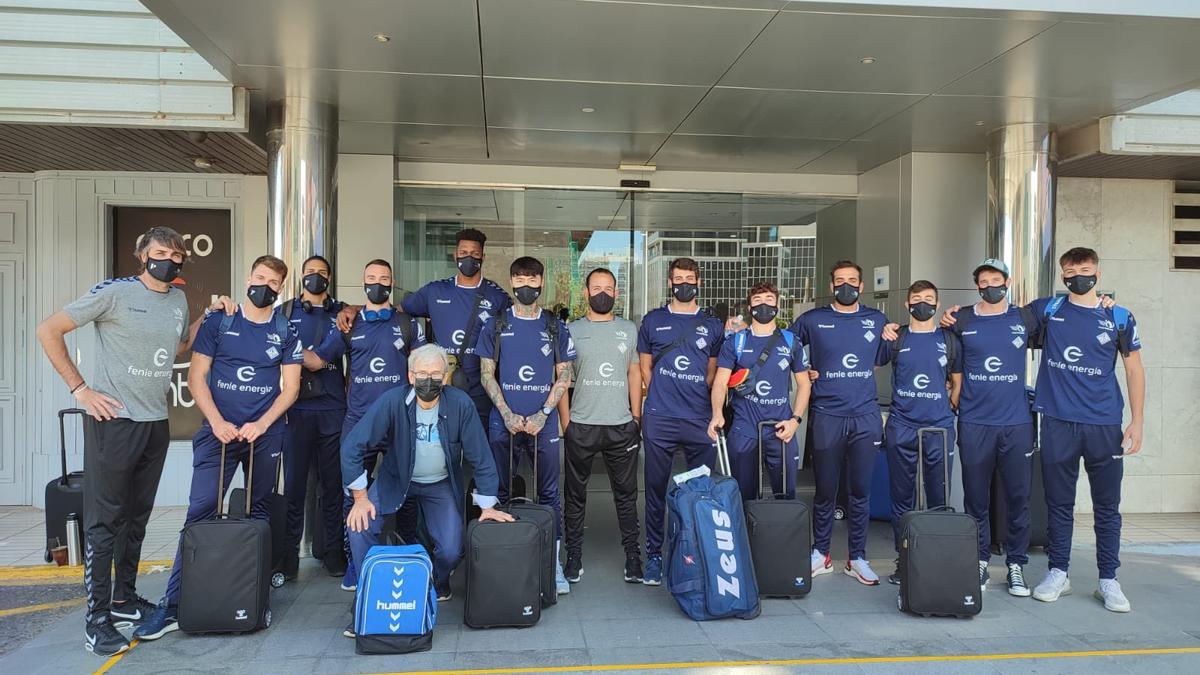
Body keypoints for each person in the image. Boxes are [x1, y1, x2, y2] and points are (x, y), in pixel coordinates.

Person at [36, 226, 233, 657]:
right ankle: (97, 620)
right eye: (161, 252)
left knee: (135, 517)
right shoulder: (114, 293)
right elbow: (49, 330)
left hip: (154, 422)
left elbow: (179, 347)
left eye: (177, 254)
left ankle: (124, 599)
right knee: (104, 522)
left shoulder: (178, 299)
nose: (170, 259)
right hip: (115, 420)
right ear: (142, 256)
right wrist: (80, 390)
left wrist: (210, 315)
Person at [136, 255, 302, 642]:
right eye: (259, 277)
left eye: (273, 282)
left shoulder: (285, 328)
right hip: (218, 434)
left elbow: (291, 387)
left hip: (265, 435)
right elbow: (197, 377)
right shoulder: (220, 322)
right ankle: (173, 605)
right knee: (200, 512)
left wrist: (262, 424)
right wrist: (217, 422)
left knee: (258, 514)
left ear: (280, 290)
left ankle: (252, 597)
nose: (265, 286)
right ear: (248, 277)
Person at [341, 344, 514, 636]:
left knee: (450, 548)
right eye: (422, 374)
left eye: (436, 374)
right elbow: (352, 447)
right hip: (395, 479)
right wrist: (359, 497)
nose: (429, 380)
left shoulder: (460, 404)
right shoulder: (391, 401)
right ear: (410, 376)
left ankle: (435, 581)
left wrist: (487, 505)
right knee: (359, 527)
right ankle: (369, 594)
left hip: (440, 482)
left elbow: (481, 456)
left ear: (446, 378)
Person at [1026, 247, 1143, 612]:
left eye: (1086, 269)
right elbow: (1000, 322)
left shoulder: (1119, 317)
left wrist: (1137, 422)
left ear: (1098, 272)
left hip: (1104, 424)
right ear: (1062, 275)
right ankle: (1058, 572)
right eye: (1071, 270)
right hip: (1059, 421)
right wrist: (953, 315)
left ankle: (1109, 579)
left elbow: (1135, 370)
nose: (1079, 274)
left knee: (1107, 506)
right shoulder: (1049, 310)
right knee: (1058, 503)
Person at [306, 258, 425, 591]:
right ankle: (356, 565)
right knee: (352, 493)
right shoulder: (348, 324)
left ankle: (407, 552)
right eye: (370, 278)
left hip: (401, 419)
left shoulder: (407, 324)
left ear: (392, 282)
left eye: (384, 278)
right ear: (362, 283)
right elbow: (316, 361)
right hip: (358, 422)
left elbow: (421, 367)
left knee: (407, 490)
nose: (377, 284)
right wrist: (280, 341)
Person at [934, 258, 1040, 596]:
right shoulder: (961, 318)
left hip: (1016, 423)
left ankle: (1016, 565)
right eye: (983, 280)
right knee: (975, 497)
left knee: (1018, 497)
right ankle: (979, 561)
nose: (990, 285)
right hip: (975, 422)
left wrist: (1107, 301)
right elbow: (940, 353)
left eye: (996, 279)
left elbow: (1068, 313)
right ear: (976, 284)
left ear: (1007, 282)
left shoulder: (1025, 317)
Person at [477, 256, 576, 595]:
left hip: (542, 425)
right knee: (499, 492)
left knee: (550, 495)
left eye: (532, 280)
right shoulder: (496, 323)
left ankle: (554, 566)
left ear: (541, 283)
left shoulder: (554, 326)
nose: (526, 286)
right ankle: (502, 562)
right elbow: (486, 373)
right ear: (511, 282)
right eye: (519, 280)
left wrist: (544, 413)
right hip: (503, 422)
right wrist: (505, 412)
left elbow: (565, 373)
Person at [348, 229, 511, 430]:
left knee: (479, 451)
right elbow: (392, 310)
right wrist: (354, 309)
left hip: (482, 390)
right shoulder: (435, 291)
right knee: (442, 448)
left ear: (483, 257)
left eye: (475, 254)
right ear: (455, 255)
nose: (468, 258)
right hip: (442, 386)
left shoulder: (498, 297)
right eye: (463, 252)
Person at [790, 260, 889, 586]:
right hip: (827, 416)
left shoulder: (876, 320)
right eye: (839, 280)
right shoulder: (812, 320)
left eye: (852, 281)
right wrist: (805, 372)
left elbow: (880, 360)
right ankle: (821, 553)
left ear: (861, 286)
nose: (846, 285)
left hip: (864, 416)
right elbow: (783, 350)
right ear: (831, 285)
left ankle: (857, 558)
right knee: (826, 491)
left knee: (860, 491)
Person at [636, 257, 724, 586]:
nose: (683, 283)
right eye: (678, 278)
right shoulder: (653, 320)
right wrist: (658, 398)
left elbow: (713, 372)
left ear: (698, 282)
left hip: (700, 419)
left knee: (700, 490)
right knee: (656, 490)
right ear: (669, 282)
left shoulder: (713, 324)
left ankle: (696, 552)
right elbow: (646, 369)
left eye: (689, 278)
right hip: (660, 418)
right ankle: (655, 556)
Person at [558, 268, 643, 584]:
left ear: (617, 294)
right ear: (586, 293)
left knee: (626, 495)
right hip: (581, 424)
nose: (603, 293)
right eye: (597, 287)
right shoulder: (571, 329)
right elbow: (563, 378)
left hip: (621, 425)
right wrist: (566, 422)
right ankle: (574, 557)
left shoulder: (629, 329)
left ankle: (633, 558)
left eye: (609, 288)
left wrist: (636, 417)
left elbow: (634, 373)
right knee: (575, 495)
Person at [881, 280, 962, 586]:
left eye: (929, 299)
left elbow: (957, 382)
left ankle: (937, 560)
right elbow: (870, 365)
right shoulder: (897, 338)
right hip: (902, 425)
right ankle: (904, 559)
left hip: (938, 428)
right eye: (917, 299)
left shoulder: (950, 339)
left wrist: (947, 407)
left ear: (937, 304)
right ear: (907, 304)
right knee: (901, 498)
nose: (923, 304)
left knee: (939, 497)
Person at [708, 281, 811, 502]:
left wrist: (795, 420)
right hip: (744, 429)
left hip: (781, 430)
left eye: (769, 300)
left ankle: (781, 536)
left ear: (778, 305)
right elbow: (720, 382)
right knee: (744, 498)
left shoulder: (791, 341)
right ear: (749, 307)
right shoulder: (735, 341)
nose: (763, 305)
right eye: (757, 300)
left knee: (786, 497)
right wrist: (717, 413)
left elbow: (804, 383)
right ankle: (746, 536)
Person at [280, 255, 347, 579]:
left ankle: (332, 552)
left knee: (333, 487)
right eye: (309, 273)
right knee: (294, 487)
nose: (315, 278)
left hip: (334, 410)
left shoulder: (344, 313)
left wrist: (302, 355)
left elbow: (320, 361)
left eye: (321, 273)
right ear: (300, 277)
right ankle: (289, 556)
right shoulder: (286, 312)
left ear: (330, 278)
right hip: (296, 411)